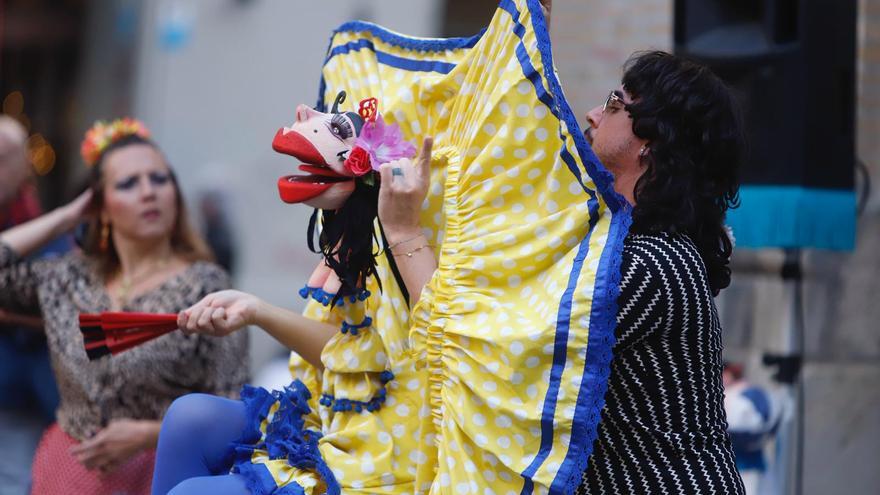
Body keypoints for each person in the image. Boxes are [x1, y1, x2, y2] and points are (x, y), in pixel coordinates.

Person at [0, 118, 249, 495]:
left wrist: (149, 435)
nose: (148, 192)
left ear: (176, 195)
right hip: (67, 468)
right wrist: (66, 217)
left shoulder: (206, 285)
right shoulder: (67, 278)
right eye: (128, 184)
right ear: (101, 203)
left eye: (160, 179)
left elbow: (236, 404)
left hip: (164, 469)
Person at [573, 51, 746, 493]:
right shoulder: (641, 250)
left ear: (652, 140)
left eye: (614, 104)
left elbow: (501, 348)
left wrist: (405, 236)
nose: (593, 115)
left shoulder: (653, 264)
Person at [0, 115, 67, 495]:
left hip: (22, 400)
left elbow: (63, 305)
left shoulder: (49, 234)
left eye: (4, 157)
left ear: (25, 163)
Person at [723, 362, 777, 495]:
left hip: (747, 464)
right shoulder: (729, 394)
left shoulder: (751, 394)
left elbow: (758, 425)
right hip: (731, 463)